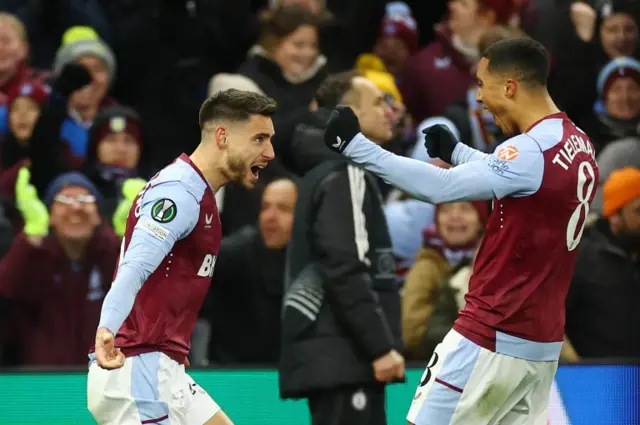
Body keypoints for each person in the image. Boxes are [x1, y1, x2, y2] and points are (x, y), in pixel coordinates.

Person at [324, 38, 599, 425]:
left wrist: (356, 146)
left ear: (510, 87)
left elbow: (442, 188)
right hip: (540, 348)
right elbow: (522, 181)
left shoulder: (530, 151)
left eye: (483, 84)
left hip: (489, 336)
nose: (479, 97)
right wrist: (460, 153)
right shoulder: (578, 143)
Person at [86, 89, 278, 425]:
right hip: (135, 369)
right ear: (222, 136)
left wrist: (171, 341)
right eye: (259, 139)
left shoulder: (199, 194)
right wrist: (107, 327)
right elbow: (135, 267)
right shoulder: (179, 193)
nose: (270, 152)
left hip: (162, 363)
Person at [280, 71, 404, 425]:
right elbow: (345, 264)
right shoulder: (345, 170)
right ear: (349, 115)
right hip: (347, 356)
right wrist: (379, 347)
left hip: (333, 353)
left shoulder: (320, 169)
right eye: (379, 102)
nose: (389, 111)